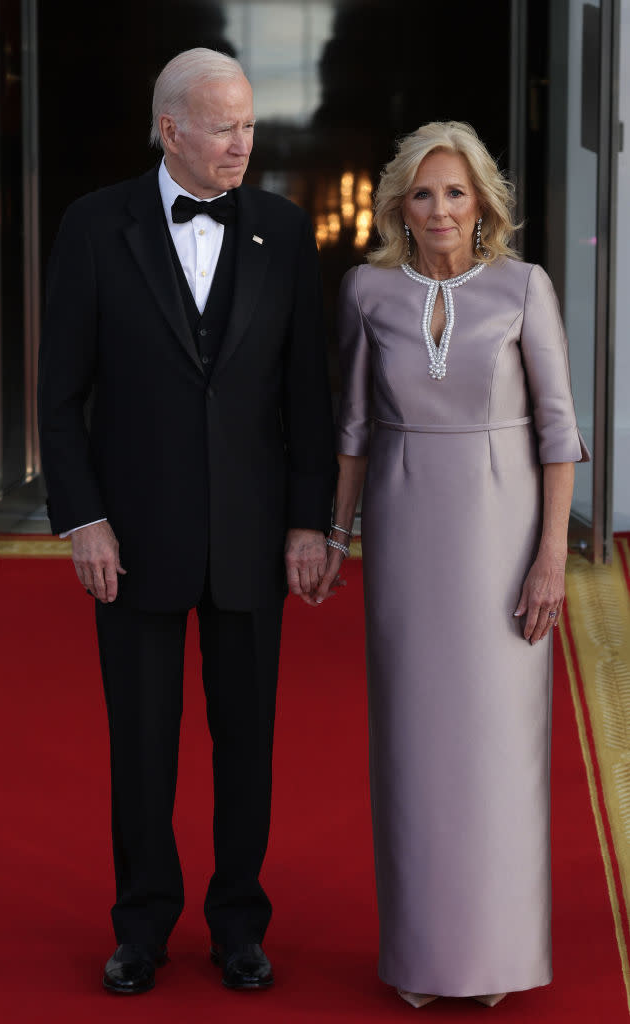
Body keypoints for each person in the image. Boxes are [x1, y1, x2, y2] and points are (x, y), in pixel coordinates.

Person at [38, 47, 336, 996]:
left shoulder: (287, 233)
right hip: (131, 539)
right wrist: (82, 517)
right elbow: (59, 394)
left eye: (249, 124)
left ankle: (240, 924)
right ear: (170, 128)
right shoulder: (93, 227)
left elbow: (308, 397)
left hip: (253, 539)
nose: (242, 143)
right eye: (222, 126)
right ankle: (141, 927)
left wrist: (309, 523)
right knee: (142, 744)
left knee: (246, 741)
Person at [315, 121, 589, 1008]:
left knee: (497, 751)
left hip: (503, 537)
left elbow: (557, 431)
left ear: (482, 207)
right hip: (404, 539)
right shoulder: (366, 291)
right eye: (425, 193)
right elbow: (352, 430)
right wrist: (333, 534)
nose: (439, 209)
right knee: (414, 749)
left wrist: (550, 558)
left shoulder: (522, 287)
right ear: (401, 203)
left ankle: (497, 956)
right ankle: (423, 958)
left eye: (456, 193)